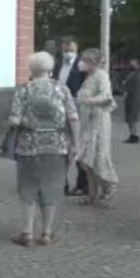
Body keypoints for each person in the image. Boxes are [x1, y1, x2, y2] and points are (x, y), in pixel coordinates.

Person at [8, 51, 80, 247]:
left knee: (28, 188)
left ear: (31, 69)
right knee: (53, 187)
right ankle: (47, 234)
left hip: (29, 146)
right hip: (57, 145)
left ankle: (27, 233)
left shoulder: (24, 90)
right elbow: (73, 118)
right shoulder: (62, 89)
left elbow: (14, 120)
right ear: (50, 68)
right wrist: (76, 144)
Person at [75, 49, 119, 207]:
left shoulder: (101, 75)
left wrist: (89, 101)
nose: (81, 63)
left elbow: (106, 96)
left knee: (98, 155)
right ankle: (92, 194)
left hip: (99, 120)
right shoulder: (90, 76)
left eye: (85, 60)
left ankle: (109, 185)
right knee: (87, 159)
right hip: (88, 120)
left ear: (93, 62)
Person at [54, 36, 87, 196]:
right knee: (62, 145)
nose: (68, 53)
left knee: (78, 145)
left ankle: (83, 183)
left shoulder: (81, 66)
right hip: (59, 110)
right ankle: (63, 182)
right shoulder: (58, 65)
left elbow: (85, 87)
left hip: (77, 109)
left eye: (71, 50)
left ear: (77, 50)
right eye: (66, 50)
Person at [122, 58, 140, 144]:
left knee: (132, 118)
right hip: (130, 98)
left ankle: (133, 136)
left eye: (133, 63)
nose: (131, 64)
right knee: (129, 118)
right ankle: (132, 135)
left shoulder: (139, 74)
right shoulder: (130, 74)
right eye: (130, 63)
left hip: (134, 98)